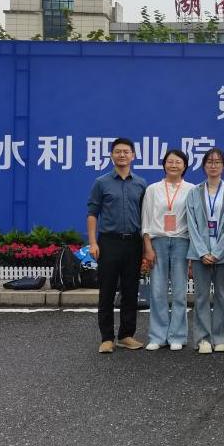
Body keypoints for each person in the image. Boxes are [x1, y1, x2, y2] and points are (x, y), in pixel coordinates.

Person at [87, 137, 148, 354]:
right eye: (118, 151)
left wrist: (146, 245)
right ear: (112, 155)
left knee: (131, 290)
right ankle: (106, 338)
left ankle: (126, 335)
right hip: (109, 242)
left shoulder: (141, 184)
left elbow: (146, 216)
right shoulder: (101, 182)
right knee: (107, 290)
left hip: (133, 242)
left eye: (126, 152)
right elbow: (92, 213)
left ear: (133, 156)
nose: (122, 155)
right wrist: (93, 242)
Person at [185, 148, 224, 354]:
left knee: (221, 295)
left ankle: (221, 338)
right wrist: (202, 251)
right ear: (203, 166)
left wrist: (217, 252)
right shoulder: (194, 192)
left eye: (217, 162)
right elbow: (191, 223)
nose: (213, 165)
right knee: (201, 296)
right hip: (200, 253)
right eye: (209, 162)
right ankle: (203, 339)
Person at [141, 150, 195, 352]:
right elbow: (146, 219)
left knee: (180, 291)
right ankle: (158, 335)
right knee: (157, 291)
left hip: (182, 241)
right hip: (158, 241)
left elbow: (194, 221)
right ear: (164, 165)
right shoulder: (152, 189)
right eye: (170, 161)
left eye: (178, 162)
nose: (173, 165)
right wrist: (147, 246)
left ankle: (177, 336)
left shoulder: (192, 189)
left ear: (184, 166)